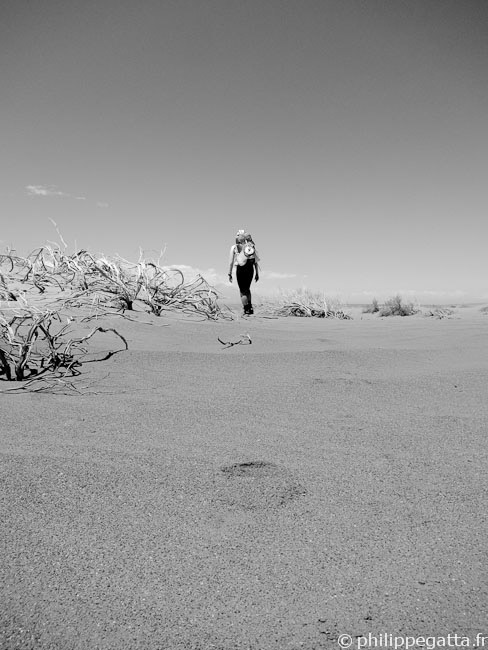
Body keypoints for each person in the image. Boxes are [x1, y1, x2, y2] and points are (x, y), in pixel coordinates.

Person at [228, 230, 260, 315]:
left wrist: (229, 273)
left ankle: (246, 310)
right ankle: (250, 308)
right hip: (250, 269)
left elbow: (231, 262)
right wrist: (257, 273)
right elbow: (256, 261)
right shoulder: (251, 247)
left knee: (242, 291)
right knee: (247, 289)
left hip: (240, 269)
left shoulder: (234, 247)